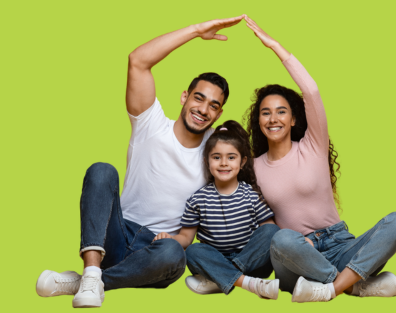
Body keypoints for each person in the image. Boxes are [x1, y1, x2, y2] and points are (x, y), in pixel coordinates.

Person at [35, 15, 246, 308]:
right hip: (118, 235)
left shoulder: (216, 152)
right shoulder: (151, 122)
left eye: (214, 106)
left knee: (175, 254)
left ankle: (88, 280)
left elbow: (245, 168)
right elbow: (138, 60)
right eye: (198, 98)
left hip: (158, 251)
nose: (203, 109)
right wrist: (197, 31)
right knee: (101, 171)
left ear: (219, 114)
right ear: (184, 97)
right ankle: (94, 270)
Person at [243, 16, 396, 302]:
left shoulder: (313, 145)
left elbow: (311, 91)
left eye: (281, 111)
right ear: (258, 120)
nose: (273, 118)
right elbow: (261, 223)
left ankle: (331, 288)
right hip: (296, 254)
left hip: (340, 244)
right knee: (281, 238)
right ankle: (355, 284)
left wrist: (276, 48)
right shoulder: (253, 168)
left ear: (294, 118)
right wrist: (297, 242)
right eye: (266, 112)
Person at [153, 120, 281, 299]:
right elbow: (186, 238)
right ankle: (246, 282)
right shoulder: (197, 199)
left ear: (242, 161)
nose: (223, 163)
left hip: (251, 261)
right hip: (213, 259)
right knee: (192, 252)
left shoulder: (251, 195)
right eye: (216, 157)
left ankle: (221, 278)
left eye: (231, 157)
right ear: (207, 161)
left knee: (272, 230)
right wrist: (170, 238)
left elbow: (269, 233)